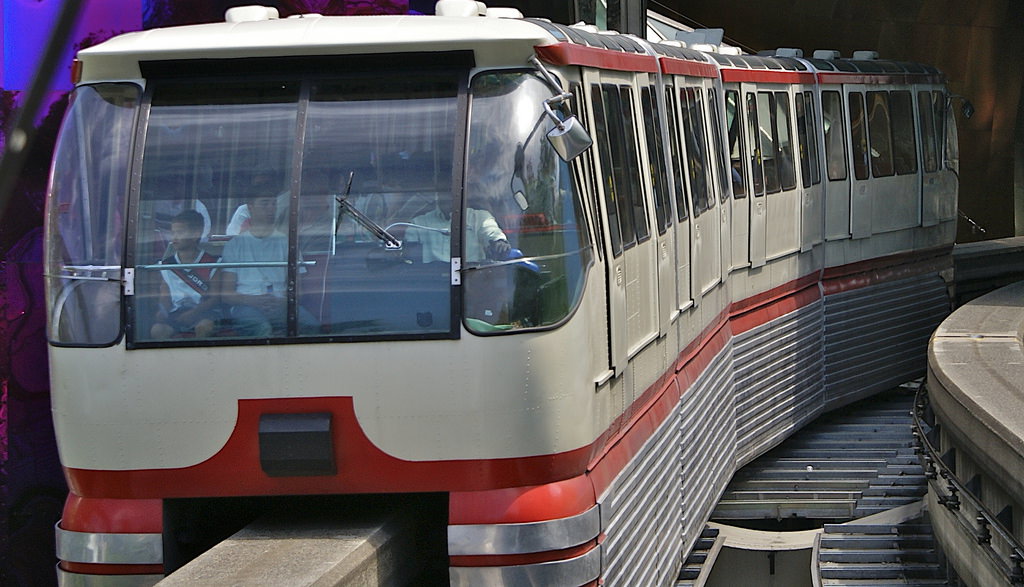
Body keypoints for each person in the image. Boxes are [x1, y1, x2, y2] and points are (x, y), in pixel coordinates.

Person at [218, 188, 318, 336]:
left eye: (273, 204)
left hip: (281, 304)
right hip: (246, 305)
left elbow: (299, 291)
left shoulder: (287, 243)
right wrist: (252, 301)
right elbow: (226, 294)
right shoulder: (235, 244)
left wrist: (282, 302)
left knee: (312, 327)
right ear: (250, 207)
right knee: (262, 330)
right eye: (265, 204)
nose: (271, 209)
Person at [150, 210, 220, 339]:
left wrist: (194, 312)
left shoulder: (212, 263)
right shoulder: (167, 265)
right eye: (173, 233)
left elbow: (215, 298)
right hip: (178, 313)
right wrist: (162, 311)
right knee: (158, 330)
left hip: (205, 312)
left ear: (196, 234)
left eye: (180, 233)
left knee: (204, 327)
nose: (174, 237)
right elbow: (165, 297)